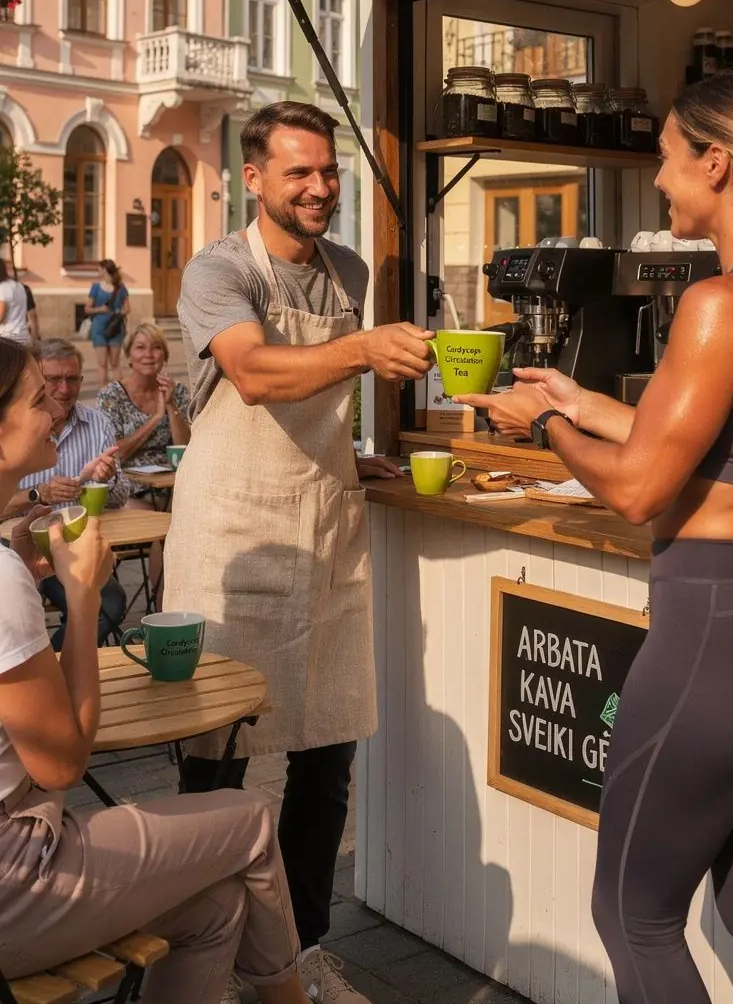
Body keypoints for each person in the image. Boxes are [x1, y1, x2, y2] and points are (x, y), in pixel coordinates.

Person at [458, 72, 733, 1004]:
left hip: (714, 629)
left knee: (635, 915)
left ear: (717, 162)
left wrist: (542, 428)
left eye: (665, 157)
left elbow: (642, 489)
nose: (657, 179)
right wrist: (581, 403)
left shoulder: (721, 303)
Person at [163, 101, 433, 1004]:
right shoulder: (216, 270)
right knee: (217, 756)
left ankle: (303, 950)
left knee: (326, 752)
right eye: (299, 174)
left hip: (322, 527)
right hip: (233, 534)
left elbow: (315, 400)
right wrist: (362, 347)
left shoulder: (346, 268)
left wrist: (345, 450)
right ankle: (206, 951)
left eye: (330, 173)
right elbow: (252, 371)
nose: (320, 189)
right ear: (253, 178)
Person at [0, 338, 311, 1004]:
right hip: (18, 884)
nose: (55, 412)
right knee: (251, 818)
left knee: (219, 904)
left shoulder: (6, 564)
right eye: (35, 401)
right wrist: (81, 605)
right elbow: (59, 766)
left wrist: (28, 572)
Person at [6, 337, 128, 649]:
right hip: (19, 545)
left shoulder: (96, 422)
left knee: (109, 604)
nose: (62, 391)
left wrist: (105, 479)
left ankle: (49, 656)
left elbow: (119, 497)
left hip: (65, 551)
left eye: (72, 379)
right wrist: (39, 493)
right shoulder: (6, 574)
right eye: (48, 386)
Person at [97, 323, 190, 499]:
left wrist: (171, 406)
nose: (148, 355)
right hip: (129, 486)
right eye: (140, 348)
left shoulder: (177, 391)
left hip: (172, 483)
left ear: (165, 356)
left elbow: (187, 450)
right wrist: (155, 419)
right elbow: (115, 454)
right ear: (129, 356)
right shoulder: (111, 395)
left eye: (156, 348)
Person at [85, 259, 129, 388]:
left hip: (114, 328)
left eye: (99, 269)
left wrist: (117, 313)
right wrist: (101, 309)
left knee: (112, 364)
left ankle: (119, 395)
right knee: (105, 365)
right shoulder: (96, 287)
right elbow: (87, 308)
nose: (97, 271)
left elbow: (127, 309)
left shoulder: (120, 288)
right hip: (101, 330)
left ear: (104, 270)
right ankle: (103, 396)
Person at [0, 260, 30, 344]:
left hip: (8, 338)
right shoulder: (18, 285)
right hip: (23, 335)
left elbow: (0, 317)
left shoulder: (2, 288)